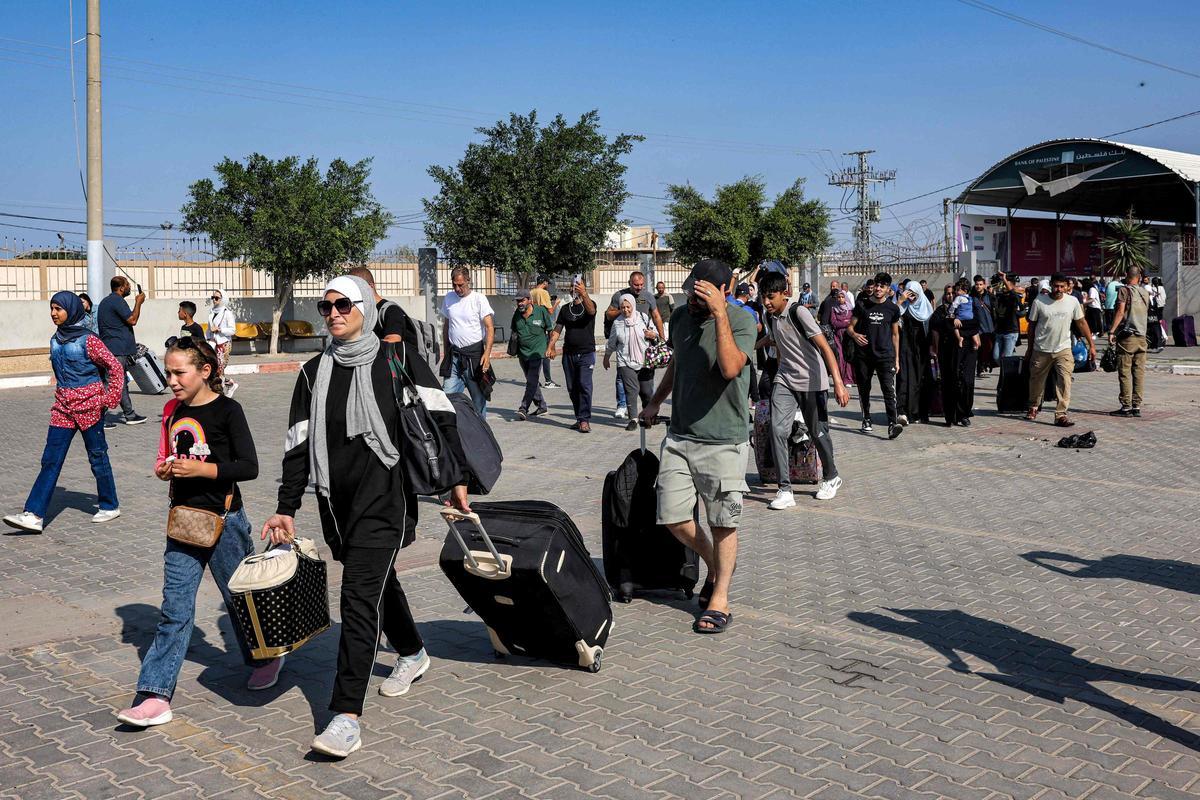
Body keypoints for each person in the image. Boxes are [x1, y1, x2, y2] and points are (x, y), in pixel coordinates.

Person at [262, 275, 470, 758]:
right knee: (377, 582)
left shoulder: (398, 360)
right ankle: (414, 652)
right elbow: (297, 445)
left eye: (343, 304)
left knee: (356, 596)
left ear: (367, 307)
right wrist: (286, 506)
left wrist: (457, 479)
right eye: (325, 306)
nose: (333, 313)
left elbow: (442, 417)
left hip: (386, 498)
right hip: (336, 503)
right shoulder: (313, 372)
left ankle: (345, 715)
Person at [115, 336, 279, 727]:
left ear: (205, 371)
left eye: (179, 372)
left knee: (240, 601)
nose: (171, 380)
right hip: (183, 522)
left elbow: (249, 467)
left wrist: (204, 470)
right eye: (168, 371)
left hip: (225, 521)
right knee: (175, 610)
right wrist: (164, 468)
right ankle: (154, 695)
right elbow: (163, 457)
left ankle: (267, 656)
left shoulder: (228, 411)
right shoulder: (172, 411)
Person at [639, 260, 755, 635]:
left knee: (723, 523)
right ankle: (716, 564)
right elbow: (679, 362)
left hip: (723, 439)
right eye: (691, 290)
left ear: (722, 292)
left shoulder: (742, 321)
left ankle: (720, 597)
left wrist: (721, 313)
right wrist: (656, 400)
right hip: (680, 434)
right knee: (672, 516)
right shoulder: (680, 319)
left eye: (702, 294)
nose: (693, 299)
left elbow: (731, 367)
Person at [3, 292, 124, 534]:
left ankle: (109, 505)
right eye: (52, 308)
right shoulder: (55, 339)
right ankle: (34, 514)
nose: (53, 313)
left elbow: (114, 366)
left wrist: (110, 398)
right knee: (50, 459)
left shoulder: (89, 341)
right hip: (63, 407)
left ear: (71, 310)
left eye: (58, 308)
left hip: (89, 406)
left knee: (97, 456)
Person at [758, 271, 850, 508]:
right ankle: (785, 490)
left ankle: (831, 477)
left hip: (812, 381)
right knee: (777, 430)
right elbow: (775, 342)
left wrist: (838, 384)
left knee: (817, 431)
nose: (766, 302)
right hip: (786, 379)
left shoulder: (799, 312)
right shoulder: (770, 317)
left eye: (771, 296)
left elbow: (825, 348)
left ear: (783, 293)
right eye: (763, 297)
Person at [1025, 273, 1094, 427]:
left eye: (1062, 286)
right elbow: (1032, 327)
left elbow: (1081, 322)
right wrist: (1029, 349)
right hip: (1041, 349)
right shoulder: (1039, 301)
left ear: (1067, 286)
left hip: (1064, 349)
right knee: (1036, 380)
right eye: (1056, 286)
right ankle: (1034, 406)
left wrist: (1092, 345)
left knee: (1065, 381)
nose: (1059, 289)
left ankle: (1061, 414)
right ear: (1051, 285)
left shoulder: (1072, 302)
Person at [848, 272, 903, 439]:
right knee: (864, 389)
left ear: (888, 289)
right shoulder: (862, 305)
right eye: (877, 285)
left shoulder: (892, 309)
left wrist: (897, 358)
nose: (878, 289)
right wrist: (855, 335)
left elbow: (895, 334)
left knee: (888, 390)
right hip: (864, 355)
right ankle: (866, 418)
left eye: (882, 286)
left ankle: (892, 424)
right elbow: (850, 327)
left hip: (885, 355)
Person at [604, 272, 664, 419]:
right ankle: (622, 405)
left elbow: (656, 316)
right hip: (624, 343)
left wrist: (661, 338)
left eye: (641, 284)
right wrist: (625, 308)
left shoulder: (648, 296)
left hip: (644, 345)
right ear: (629, 282)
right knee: (622, 378)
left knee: (646, 385)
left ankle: (648, 412)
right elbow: (608, 314)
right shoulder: (619, 295)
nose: (639, 287)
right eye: (636, 285)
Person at [440, 266, 495, 418]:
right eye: (454, 285)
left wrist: (487, 354)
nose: (457, 289)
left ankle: (482, 435)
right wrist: (446, 352)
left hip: (474, 357)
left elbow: (490, 327)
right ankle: (453, 434)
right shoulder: (449, 298)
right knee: (447, 399)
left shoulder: (479, 299)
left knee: (478, 402)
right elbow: (447, 326)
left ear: (468, 281)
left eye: (461, 285)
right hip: (454, 356)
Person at [546, 275, 597, 433]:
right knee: (572, 388)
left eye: (579, 286)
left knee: (584, 385)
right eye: (573, 287)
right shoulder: (565, 309)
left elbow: (592, 311)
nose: (575, 289)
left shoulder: (590, 304)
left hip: (586, 353)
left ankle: (584, 419)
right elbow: (558, 329)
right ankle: (579, 417)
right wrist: (551, 346)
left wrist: (585, 295)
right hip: (569, 354)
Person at [931, 279, 983, 428]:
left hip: (968, 351)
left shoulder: (969, 304)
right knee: (950, 382)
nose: (951, 295)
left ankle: (964, 413)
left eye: (953, 292)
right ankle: (950, 416)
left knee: (967, 382)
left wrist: (959, 323)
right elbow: (941, 327)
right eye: (949, 293)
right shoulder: (941, 312)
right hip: (949, 351)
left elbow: (975, 323)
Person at [97, 276, 147, 425]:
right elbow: (132, 319)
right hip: (116, 350)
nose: (130, 288)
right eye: (128, 285)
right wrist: (139, 302)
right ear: (121, 287)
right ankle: (97, 418)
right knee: (112, 382)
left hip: (116, 349)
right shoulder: (117, 301)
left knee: (120, 382)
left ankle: (129, 414)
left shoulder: (107, 301)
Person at [1107, 266, 1150, 417]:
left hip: (1127, 337)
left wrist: (1112, 331)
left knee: (1124, 372)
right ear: (1139, 276)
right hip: (1142, 337)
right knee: (1139, 372)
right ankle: (1136, 406)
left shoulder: (1124, 290)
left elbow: (1120, 312)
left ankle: (1126, 406)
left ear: (1126, 275)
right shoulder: (1145, 292)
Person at [895, 280, 933, 426]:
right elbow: (891, 317)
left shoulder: (925, 307)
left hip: (922, 349)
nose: (911, 297)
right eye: (908, 293)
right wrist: (900, 301)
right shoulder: (903, 306)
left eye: (914, 294)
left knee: (920, 380)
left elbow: (932, 328)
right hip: (905, 348)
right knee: (904, 379)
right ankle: (902, 412)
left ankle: (917, 412)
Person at [511, 289, 553, 420]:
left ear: (529, 300)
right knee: (532, 381)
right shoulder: (516, 315)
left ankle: (524, 408)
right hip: (523, 354)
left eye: (522, 300)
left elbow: (550, 330)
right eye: (518, 301)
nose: (519, 304)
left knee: (531, 381)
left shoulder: (541, 312)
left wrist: (551, 348)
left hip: (537, 353)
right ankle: (542, 406)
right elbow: (514, 332)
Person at [818, 282, 855, 388]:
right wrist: (846, 322)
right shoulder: (834, 308)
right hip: (838, 336)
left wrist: (846, 322)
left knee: (848, 356)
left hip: (848, 335)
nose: (840, 299)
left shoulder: (850, 309)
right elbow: (834, 322)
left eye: (842, 297)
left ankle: (849, 378)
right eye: (839, 297)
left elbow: (853, 321)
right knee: (840, 356)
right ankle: (842, 378)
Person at [204, 288, 238, 398]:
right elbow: (209, 329)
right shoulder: (211, 312)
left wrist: (220, 330)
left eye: (217, 298)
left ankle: (219, 396)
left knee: (219, 369)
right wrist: (207, 339)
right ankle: (230, 384)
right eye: (213, 298)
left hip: (224, 345)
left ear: (223, 299)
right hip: (213, 344)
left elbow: (233, 330)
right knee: (215, 369)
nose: (214, 300)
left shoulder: (227, 313)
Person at [528, 275, 559, 388]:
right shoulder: (544, 293)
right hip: (545, 325)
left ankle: (534, 379)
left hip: (535, 324)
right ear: (544, 282)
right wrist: (556, 303)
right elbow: (550, 311)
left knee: (536, 354)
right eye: (547, 283)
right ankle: (548, 381)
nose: (547, 285)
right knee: (546, 353)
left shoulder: (531, 292)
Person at [991, 272, 1021, 361]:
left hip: (1010, 332)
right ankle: (1007, 369)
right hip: (999, 331)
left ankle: (1007, 372)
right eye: (1002, 284)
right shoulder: (999, 296)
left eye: (1005, 284)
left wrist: (1004, 280)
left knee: (1007, 359)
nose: (1003, 286)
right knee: (996, 357)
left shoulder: (1014, 296)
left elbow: (1014, 295)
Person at [1146, 276, 1167, 352]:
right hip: (1161, 306)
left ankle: (1156, 343)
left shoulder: (1154, 289)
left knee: (1154, 327)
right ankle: (1158, 343)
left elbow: (1152, 292)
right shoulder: (1162, 288)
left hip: (1156, 309)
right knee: (1157, 326)